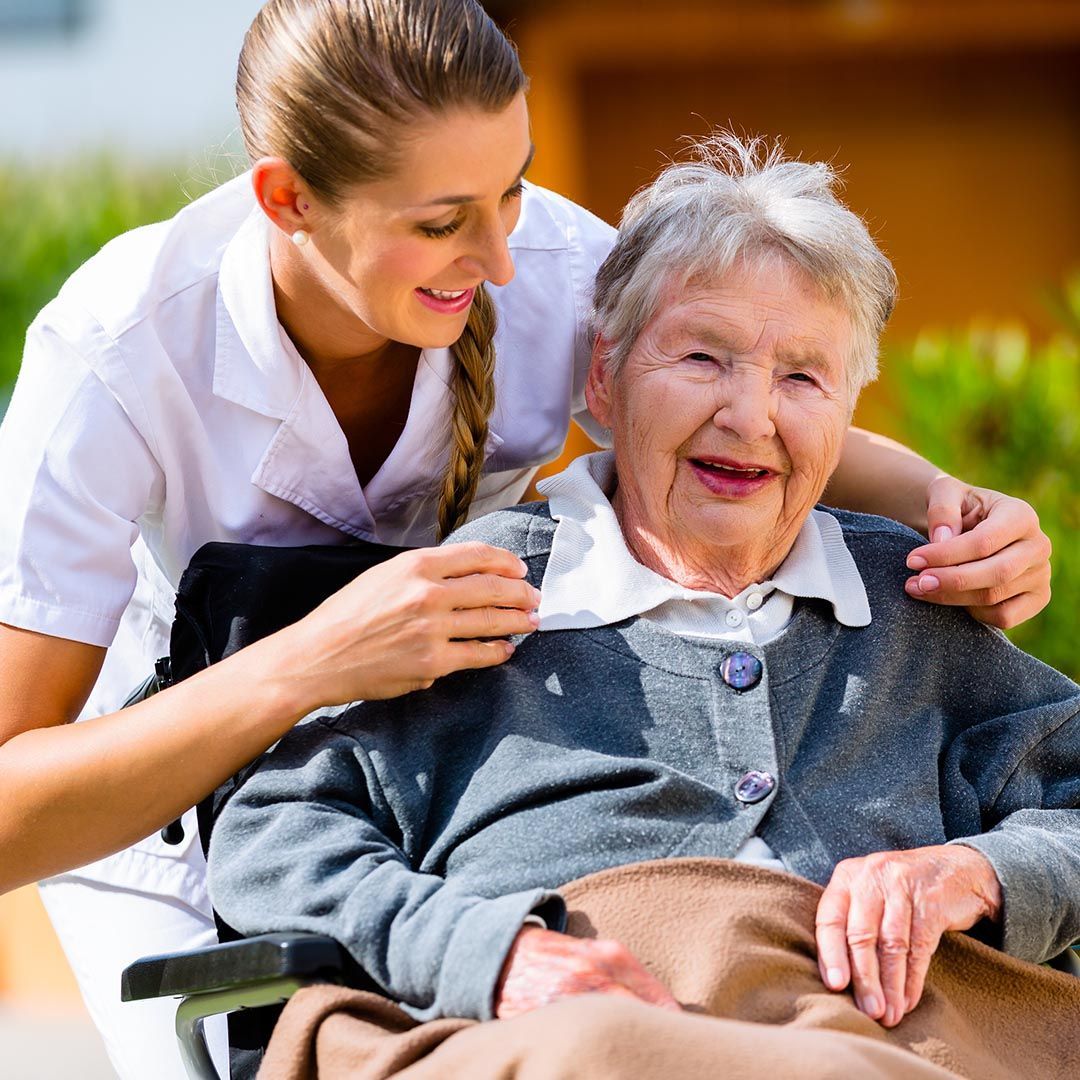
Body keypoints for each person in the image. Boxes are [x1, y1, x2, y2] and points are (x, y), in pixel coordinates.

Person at [0, 0, 1052, 1076]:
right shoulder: (118, 355)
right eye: (444, 220)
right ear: (289, 200)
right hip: (167, 772)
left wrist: (954, 506)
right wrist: (315, 660)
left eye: (514, 188)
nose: (504, 258)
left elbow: (753, 399)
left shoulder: (550, 265)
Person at [209, 134, 1080, 1080]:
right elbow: (275, 833)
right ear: (603, 381)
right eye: (703, 357)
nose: (750, 416)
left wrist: (977, 871)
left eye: (802, 377)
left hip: (890, 1045)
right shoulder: (479, 596)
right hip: (574, 1049)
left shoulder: (911, 604)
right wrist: (485, 954)